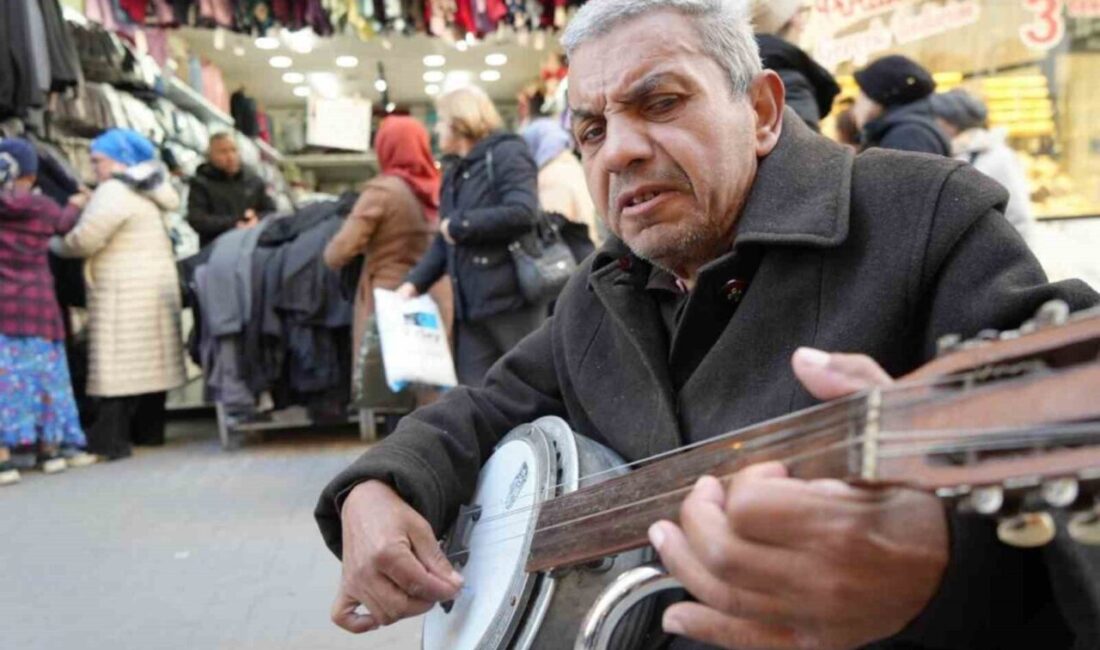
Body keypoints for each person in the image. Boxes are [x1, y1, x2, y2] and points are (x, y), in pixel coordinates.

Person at [316, 1, 1099, 649]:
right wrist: (382, 484)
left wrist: (945, 570)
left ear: (760, 110)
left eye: (660, 103)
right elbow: (487, 407)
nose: (618, 151)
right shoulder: (603, 290)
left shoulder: (926, 218)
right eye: (590, 131)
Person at [52, 129, 186, 461]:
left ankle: (110, 441)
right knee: (152, 365)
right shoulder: (148, 188)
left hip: (122, 291)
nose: (94, 166)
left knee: (116, 369)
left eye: (98, 160)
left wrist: (53, 245)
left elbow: (85, 239)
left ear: (118, 159)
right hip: (152, 287)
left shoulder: (113, 191)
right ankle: (149, 432)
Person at [396, 85, 542, 387]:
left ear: (458, 122)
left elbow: (523, 211)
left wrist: (461, 225)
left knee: (533, 390)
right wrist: (414, 283)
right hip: (470, 308)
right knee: (474, 398)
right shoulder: (453, 172)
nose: (435, 130)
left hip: (510, 302)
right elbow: (444, 238)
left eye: (439, 121)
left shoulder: (506, 152)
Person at [323, 116, 454, 400]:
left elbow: (338, 252)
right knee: (435, 392)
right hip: (439, 299)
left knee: (393, 394)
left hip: (391, 300)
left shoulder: (383, 191)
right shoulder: (442, 186)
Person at [0, 138, 94, 485]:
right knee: (46, 379)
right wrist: (77, 200)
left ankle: (4, 460)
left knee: (4, 384)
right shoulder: (40, 208)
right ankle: (50, 451)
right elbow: (66, 221)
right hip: (39, 306)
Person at [930, 88, 1035, 244]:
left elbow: (1018, 215)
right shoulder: (951, 152)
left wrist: (1015, 262)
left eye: (935, 119)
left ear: (950, 123)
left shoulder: (997, 156)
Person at [752, 0, 839, 132]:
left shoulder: (738, 74)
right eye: (802, 13)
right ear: (792, 19)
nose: (804, 23)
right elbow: (806, 148)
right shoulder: (790, 81)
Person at [521, 117, 603, 245]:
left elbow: (551, 225)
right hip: (588, 244)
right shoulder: (573, 165)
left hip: (570, 253)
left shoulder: (550, 175)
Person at [186, 132, 276, 248]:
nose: (230, 156)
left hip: (251, 248)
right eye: (223, 152)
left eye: (234, 150)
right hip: (215, 251)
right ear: (211, 155)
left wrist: (256, 220)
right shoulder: (201, 183)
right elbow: (197, 220)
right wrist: (236, 223)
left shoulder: (253, 180)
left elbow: (271, 211)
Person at [851, 54, 952, 156]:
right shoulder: (910, 130)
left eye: (862, 94)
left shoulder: (906, 137)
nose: (857, 104)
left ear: (877, 97)